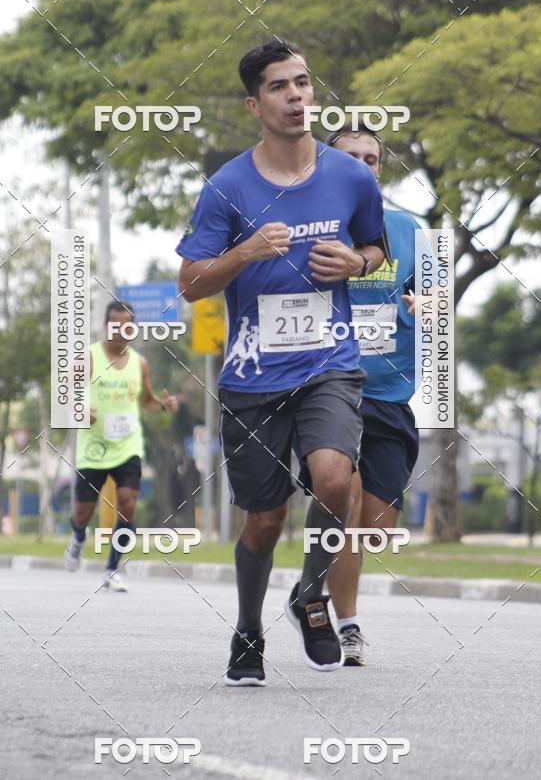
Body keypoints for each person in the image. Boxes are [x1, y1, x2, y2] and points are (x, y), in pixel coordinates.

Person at [176, 39, 387, 685]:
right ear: (254, 102)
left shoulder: (351, 176)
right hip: (253, 377)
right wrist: (243, 254)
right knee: (264, 520)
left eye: (302, 83)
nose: (297, 95)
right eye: (280, 86)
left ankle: (308, 594)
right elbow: (190, 283)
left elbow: (374, 247)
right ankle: (247, 629)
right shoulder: (227, 187)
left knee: (333, 480)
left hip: (330, 363)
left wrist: (356, 264)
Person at [324, 127, 421, 665]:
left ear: (380, 169)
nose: (364, 165)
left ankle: (309, 588)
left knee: (380, 531)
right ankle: (349, 626)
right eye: (352, 158)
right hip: (329, 388)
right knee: (347, 501)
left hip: (389, 392)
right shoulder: (313, 229)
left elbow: (436, 307)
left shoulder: (412, 231)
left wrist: (425, 310)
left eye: (372, 158)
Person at [64, 301, 178, 591]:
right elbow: (67, 396)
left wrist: (164, 405)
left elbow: (148, 400)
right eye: (115, 325)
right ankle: (78, 538)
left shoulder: (139, 364)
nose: (121, 331)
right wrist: (80, 409)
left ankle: (113, 568)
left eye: (127, 325)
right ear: (105, 326)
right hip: (94, 448)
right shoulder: (88, 358)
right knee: (83, 514)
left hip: (128, 446)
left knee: (127, 505)